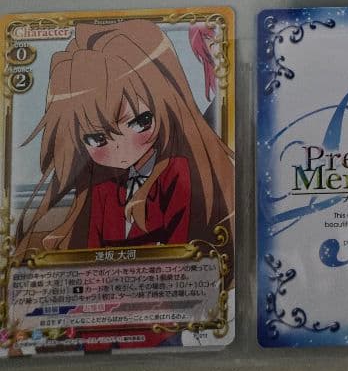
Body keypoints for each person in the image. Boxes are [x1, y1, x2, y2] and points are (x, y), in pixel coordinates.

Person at [15, 19, 234, 256]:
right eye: (96, 138)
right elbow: (89, 247)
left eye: (140, 122)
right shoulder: (101, 183)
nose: (120, 148)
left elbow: (187, 254)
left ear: (168, 103)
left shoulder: (180, 172)